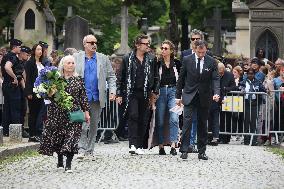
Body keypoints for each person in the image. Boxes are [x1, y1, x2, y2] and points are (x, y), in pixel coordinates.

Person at [39, 55, 90, 173]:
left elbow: (83, 97)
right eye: (68, 63)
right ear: (63, 65)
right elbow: (48, 96)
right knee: (58, 138)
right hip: (57, 112)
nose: (71, 65)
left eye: (72, 63)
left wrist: (86, 113)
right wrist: (50, 91)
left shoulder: (78, 79)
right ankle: (60, 159)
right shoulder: (56, 79)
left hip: (74, 113)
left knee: (71, 138)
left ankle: (69, 164)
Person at [176, 40, 220, 160]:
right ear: (195, 49)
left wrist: (216, 93)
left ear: (206, 50)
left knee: (202, 124)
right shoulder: (187, 59)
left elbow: (215, 78)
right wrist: (177, 96)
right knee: (187, 123)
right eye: (199, 52)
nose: (201, 54)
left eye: (203, 52)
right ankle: (184, 149)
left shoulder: (211, 61)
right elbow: (181, 79)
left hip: (204, 96)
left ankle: (202, 151)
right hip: (189, 95)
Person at [73, 34, 116, 158]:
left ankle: (90, 150)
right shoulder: (76, 57)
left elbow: (111, 76)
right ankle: (81, 148)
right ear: (85, 44)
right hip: (80, 97)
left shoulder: (103, 58)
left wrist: (112, 91)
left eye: (95, 42)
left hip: (97, 97)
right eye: (91, 42)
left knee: (93, 125)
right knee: (81, 123)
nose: (94, 45)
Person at [116, 34, 159, 155]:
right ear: (137, 45)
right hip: (131, 92)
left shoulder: (151, 58)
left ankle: (140, 145)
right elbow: (121, 76)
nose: (148, 46)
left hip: (145, 92)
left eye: (148, 44)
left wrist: (155, 92)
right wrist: (119, 93)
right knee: (133, 116)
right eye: (145, 44)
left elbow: (156, 76)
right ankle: (133, 144)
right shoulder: (127, 58)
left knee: (143, 118)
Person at [156, 40, 180, 155]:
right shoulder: (157, 63)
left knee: (174, 118)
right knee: (160, 120)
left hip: (173, 92)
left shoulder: (177, 63)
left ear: (171, 51)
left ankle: (173, 145)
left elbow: (181, 80)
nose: (163, 50)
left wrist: (181, 95)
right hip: (160, 92)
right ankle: (161, 146)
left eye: (166, 48)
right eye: (162, 48)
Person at [1, 39, 24, 136]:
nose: (20, 49)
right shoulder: (12, 56)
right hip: (12, 86)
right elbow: (7, 67)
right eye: (19, 47)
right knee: (15, 109)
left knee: (7, 109)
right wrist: (14, 77)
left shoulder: (6, 56)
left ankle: (6, 131)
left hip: (6, 85)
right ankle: (15, 133)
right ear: (15, 47)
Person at [24, 44, 47, 142]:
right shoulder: (30, 63)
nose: (40, 51)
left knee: (39, 113)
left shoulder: (42, 63)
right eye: (38, 49)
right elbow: (28, 78)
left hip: (42, 92)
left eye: (41, 49)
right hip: (33, 91)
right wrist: (28, 92)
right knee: (33, 113)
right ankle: (32, 135)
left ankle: (37, 133)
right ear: (34, 51)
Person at [239, 68, 266, 145]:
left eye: (252, 74)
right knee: (246, 121)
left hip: (255, 103)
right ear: (247, 74)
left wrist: (261, 90)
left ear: (254, 74)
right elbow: (239, 88)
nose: (250, 75)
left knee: (253, 122)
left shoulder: (258, 82)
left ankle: (253, 140)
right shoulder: (243, 82)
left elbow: (263, 89)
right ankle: (246, 140)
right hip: (246, 103)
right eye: (249, 74)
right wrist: (241, 90)